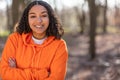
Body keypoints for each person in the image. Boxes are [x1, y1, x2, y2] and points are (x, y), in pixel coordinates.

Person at [0, 0, 68, 80]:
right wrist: (42, 74)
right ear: (27, 19)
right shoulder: (14, 39)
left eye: (43, 15)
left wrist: (16, 72)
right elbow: (5, 73)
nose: (39, 21)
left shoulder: (59, 46)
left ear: (50, 18)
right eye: (33, 16)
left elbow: (57, 78)